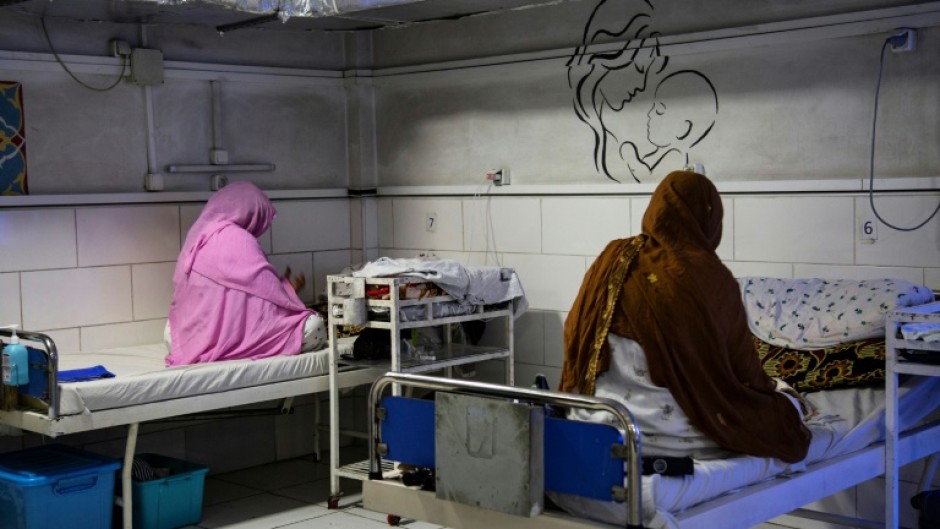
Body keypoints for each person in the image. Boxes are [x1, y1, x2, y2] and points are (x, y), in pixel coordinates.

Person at [559, 170, 811, 463]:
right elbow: (742, 367)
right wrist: (769, 392)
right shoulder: (710, 276)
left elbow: (574, 332)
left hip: (592, 421)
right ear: (710, 219)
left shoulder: (613, 256)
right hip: (666, 439)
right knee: (775, 417)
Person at [165, 181, 326, 366]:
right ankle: (232, 349)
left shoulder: (196, 235)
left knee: (172, 329)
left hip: (185, 341)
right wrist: (289, 289)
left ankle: (208, 346)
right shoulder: (240, 239)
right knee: (315, 327)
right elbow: (273, 299)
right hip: (229, 339)